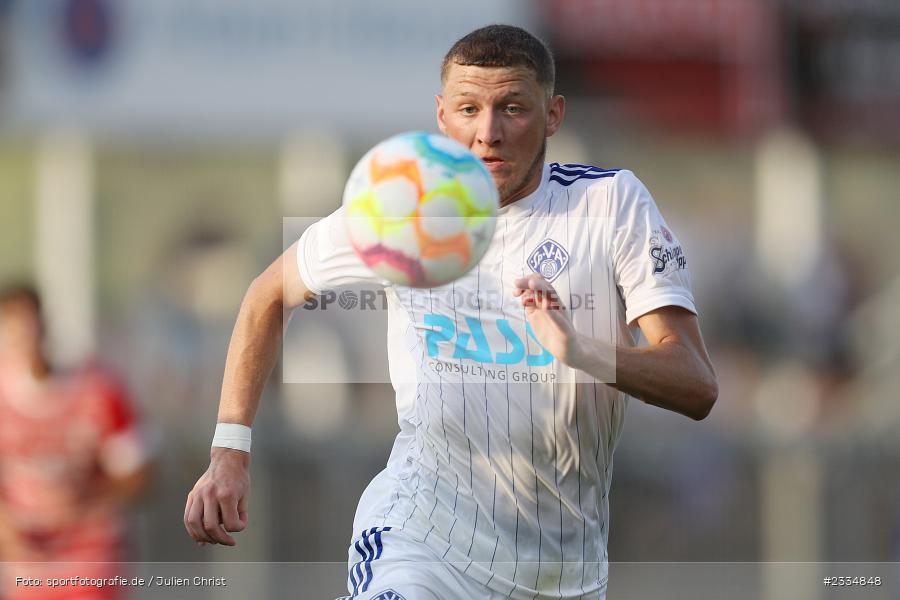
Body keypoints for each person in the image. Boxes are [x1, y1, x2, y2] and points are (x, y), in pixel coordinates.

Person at [184, 24, 717, 600]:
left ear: (554, 114)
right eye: (469, 108)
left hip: (562, 572)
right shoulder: (401, 208)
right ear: (442, 115)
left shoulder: (610, 204)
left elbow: (695, 383)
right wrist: (229, 451)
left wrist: (578, 349)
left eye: (512, 108)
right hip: (424, 541)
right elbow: (268, 293)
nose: (487, 133)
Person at [0, 285, 152, 600]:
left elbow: (140, 474)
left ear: (44, 324)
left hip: (91, 556)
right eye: (13, 330)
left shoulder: (96, 389)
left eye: (29, 326)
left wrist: (89, 498)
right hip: (30, 564)